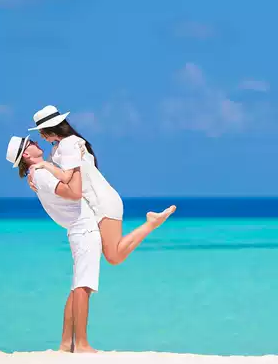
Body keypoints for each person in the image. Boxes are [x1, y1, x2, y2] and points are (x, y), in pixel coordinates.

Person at [27, 105, 177, 265]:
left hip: (102, 201)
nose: (41, 136)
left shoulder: (69, 144)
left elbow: (65, 176)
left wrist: (44, 166)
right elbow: (53, 172)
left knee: (114, 257)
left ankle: (151, 223)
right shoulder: (62, 147)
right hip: (97, 201)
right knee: (113, 256)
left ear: (51, 129)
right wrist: (33, 174)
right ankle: (151, 223)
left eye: (41, 132)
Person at [6, 134, 101, 353]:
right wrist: (75, 166)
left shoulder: (39, 173)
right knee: (83, 286)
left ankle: (67, 343)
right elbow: (74, 193)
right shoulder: (41, 174)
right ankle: (82, 344)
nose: (36, 142)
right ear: (26, 154)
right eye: (31, 143)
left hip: (78, 229)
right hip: (84, 228)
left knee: (77, 286)